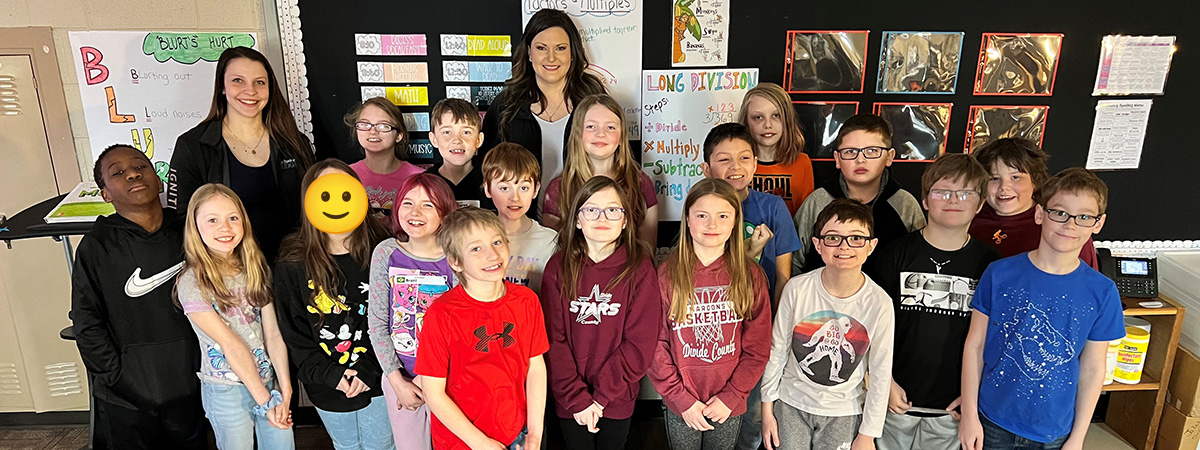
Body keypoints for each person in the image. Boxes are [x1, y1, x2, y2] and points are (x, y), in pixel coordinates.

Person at [960, 168, 1125, 450]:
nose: (1070, 225)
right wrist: (969, 415)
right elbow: (974, 346)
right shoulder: (999, 273)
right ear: (1039, 214)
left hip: (1054, 431)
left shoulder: (1102, 291)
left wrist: (1078, 438)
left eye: (1084, 216)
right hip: (992, 421)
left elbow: (1093, 368)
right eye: (1059, 212)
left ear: (1098, 223)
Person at [72, 144, 205, 449]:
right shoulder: (97, 248)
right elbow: (87, 323)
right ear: (105, 193)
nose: (132, 173)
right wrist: (118, 378)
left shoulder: (192, 233)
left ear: (159, 180)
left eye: (140, 167)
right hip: (128, 398)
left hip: (192, 387)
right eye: (118, 173)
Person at [868, 155, 999, 450]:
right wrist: (883, 380)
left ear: (979, 204)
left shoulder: (990, 265)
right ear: (925, 200)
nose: (953, 200)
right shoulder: (894, 255)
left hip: (953, 409)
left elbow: (992, 339)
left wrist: (973, 394)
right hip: (895, 400)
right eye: (942, 191)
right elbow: (872, 325)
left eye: (965, 193)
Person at [274, 160, 394, 450]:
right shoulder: (292, 261)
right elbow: (294, 333)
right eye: (325, 193)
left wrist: (370, 370)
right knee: (346, 445)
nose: (336, 200)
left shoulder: (384, 249)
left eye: (344, 191)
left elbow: (395, 319)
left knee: (383, 445)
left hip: (378, 379)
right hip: (326, 386)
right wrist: (331, 375)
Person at [761, 199, 894, 450]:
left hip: (845, 411)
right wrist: (767, 408)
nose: (844, 246)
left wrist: (868, 434)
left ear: (871, 246)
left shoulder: (879, 303)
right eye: (833, 238)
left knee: (834, 361)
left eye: (856, 238)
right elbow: (777, 350)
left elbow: (880, 372)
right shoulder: (797, 289)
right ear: (818, 245)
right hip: (791, 405)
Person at [650, 178, 772, 450]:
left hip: (728, 401)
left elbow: (758, 347)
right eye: (702, 215)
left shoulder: (750, 276)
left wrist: (732, 396)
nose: (711, 224)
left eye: (722, 216)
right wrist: (681, 399)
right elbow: (655, 346)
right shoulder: (666, 275)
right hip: (682, 401)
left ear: (734, 222)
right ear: (688, 220)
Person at [541, 176, 660, 449]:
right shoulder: (558, 266)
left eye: (612, 210)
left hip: (618, 398)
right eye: (591, 209)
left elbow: (639, 345)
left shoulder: (639, 269)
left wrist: (601, 398)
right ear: (578, 219)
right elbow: (552, 340)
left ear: (626, 220)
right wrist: (578, 399)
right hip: (568, 397)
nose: (601, 217)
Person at [418, 207, 550, 450]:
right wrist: (480, 443)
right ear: (455, 262)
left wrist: (534, 432)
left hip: (517, 433)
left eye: (497, 242)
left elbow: (536, 368)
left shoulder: (527, 301)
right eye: (476, 249)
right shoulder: (441, 314)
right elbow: (434, 393)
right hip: (461, 441)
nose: (492, 254)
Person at [175, 183, 294, 449]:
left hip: (268, 382)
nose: (225, 228)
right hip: (226, 390)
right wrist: (266, 402)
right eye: (212, 220)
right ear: (196, 227)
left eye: (232, 218)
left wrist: (285, 390)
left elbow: (273, 334)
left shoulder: (255, 268)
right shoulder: (192, 282)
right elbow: (232, 345)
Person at [168, 46, 314, 263]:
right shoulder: (193, 146)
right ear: (222, 87)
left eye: (260, 82)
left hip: (291, 269)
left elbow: (313, 210)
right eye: (238, 80)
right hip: (230, 276)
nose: (251, 91)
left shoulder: (294, 143)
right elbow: (182, 221)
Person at [481, 8, 608, 215]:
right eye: (541, 48)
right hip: (521, 228)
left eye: (560, 48)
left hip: (584, 225)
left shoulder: (594, 101)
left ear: (573, 53)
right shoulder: (506, 106)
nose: (551, 58)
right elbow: (486, 169)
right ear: (529, 52)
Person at [366, 173, 458, 450]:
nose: (415, 212)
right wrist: (398, 381)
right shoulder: (386, 253)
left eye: (428, 205)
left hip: (448, 378)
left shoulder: (455, 258)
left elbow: (459, 327)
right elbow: (378, 323)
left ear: (445, 212)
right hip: (399, 378)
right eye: (407, 203)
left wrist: (425, 380)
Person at [793, 114, 925, 274]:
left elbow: (919, 262)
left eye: (872, 151)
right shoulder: (817, 202)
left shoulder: (905, 205)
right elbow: (794, 262)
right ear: (837, 159)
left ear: (890, 157)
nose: (860, 159)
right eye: (850, 152)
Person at [543, 94, 659, 247]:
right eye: (591, 126)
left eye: (610, 127)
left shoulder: (640, 184)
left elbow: (647, 248)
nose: (601, 134)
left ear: (622, 136)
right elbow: (553, 254)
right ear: (578, 134)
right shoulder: (558, 189)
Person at [967, 138, 1099, 269]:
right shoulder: (970, 219)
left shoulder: (1058, 225)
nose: (1004, 187)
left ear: (1035, 181)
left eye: (1015, 177)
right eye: (994, 178)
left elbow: (1085, 280)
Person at [482, 142, 558, 292]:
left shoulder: (550, 241)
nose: (515, 198)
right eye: (504, 188)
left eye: (523, 188)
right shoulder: (478, 238)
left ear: (535, 190)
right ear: (488, 189)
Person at [739, 82, 815, 216]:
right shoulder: (737, 164)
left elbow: (805, 219)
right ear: (746, 122)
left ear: (787, 119)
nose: (767, 125)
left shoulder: (802, 163)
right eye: (758, 117)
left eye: (776, 115)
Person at [347, 97, 425, 216]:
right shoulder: (346, 175)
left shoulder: (420, 178)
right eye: (364, 124)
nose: (373, 131)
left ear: (399, 135)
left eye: (383, 126)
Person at [426, 98, 490, 209]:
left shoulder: (492, 180)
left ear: (479, 140)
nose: (457, 140)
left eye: (466, 132)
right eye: (447, 132)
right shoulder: (425, 184)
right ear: (434, 139)